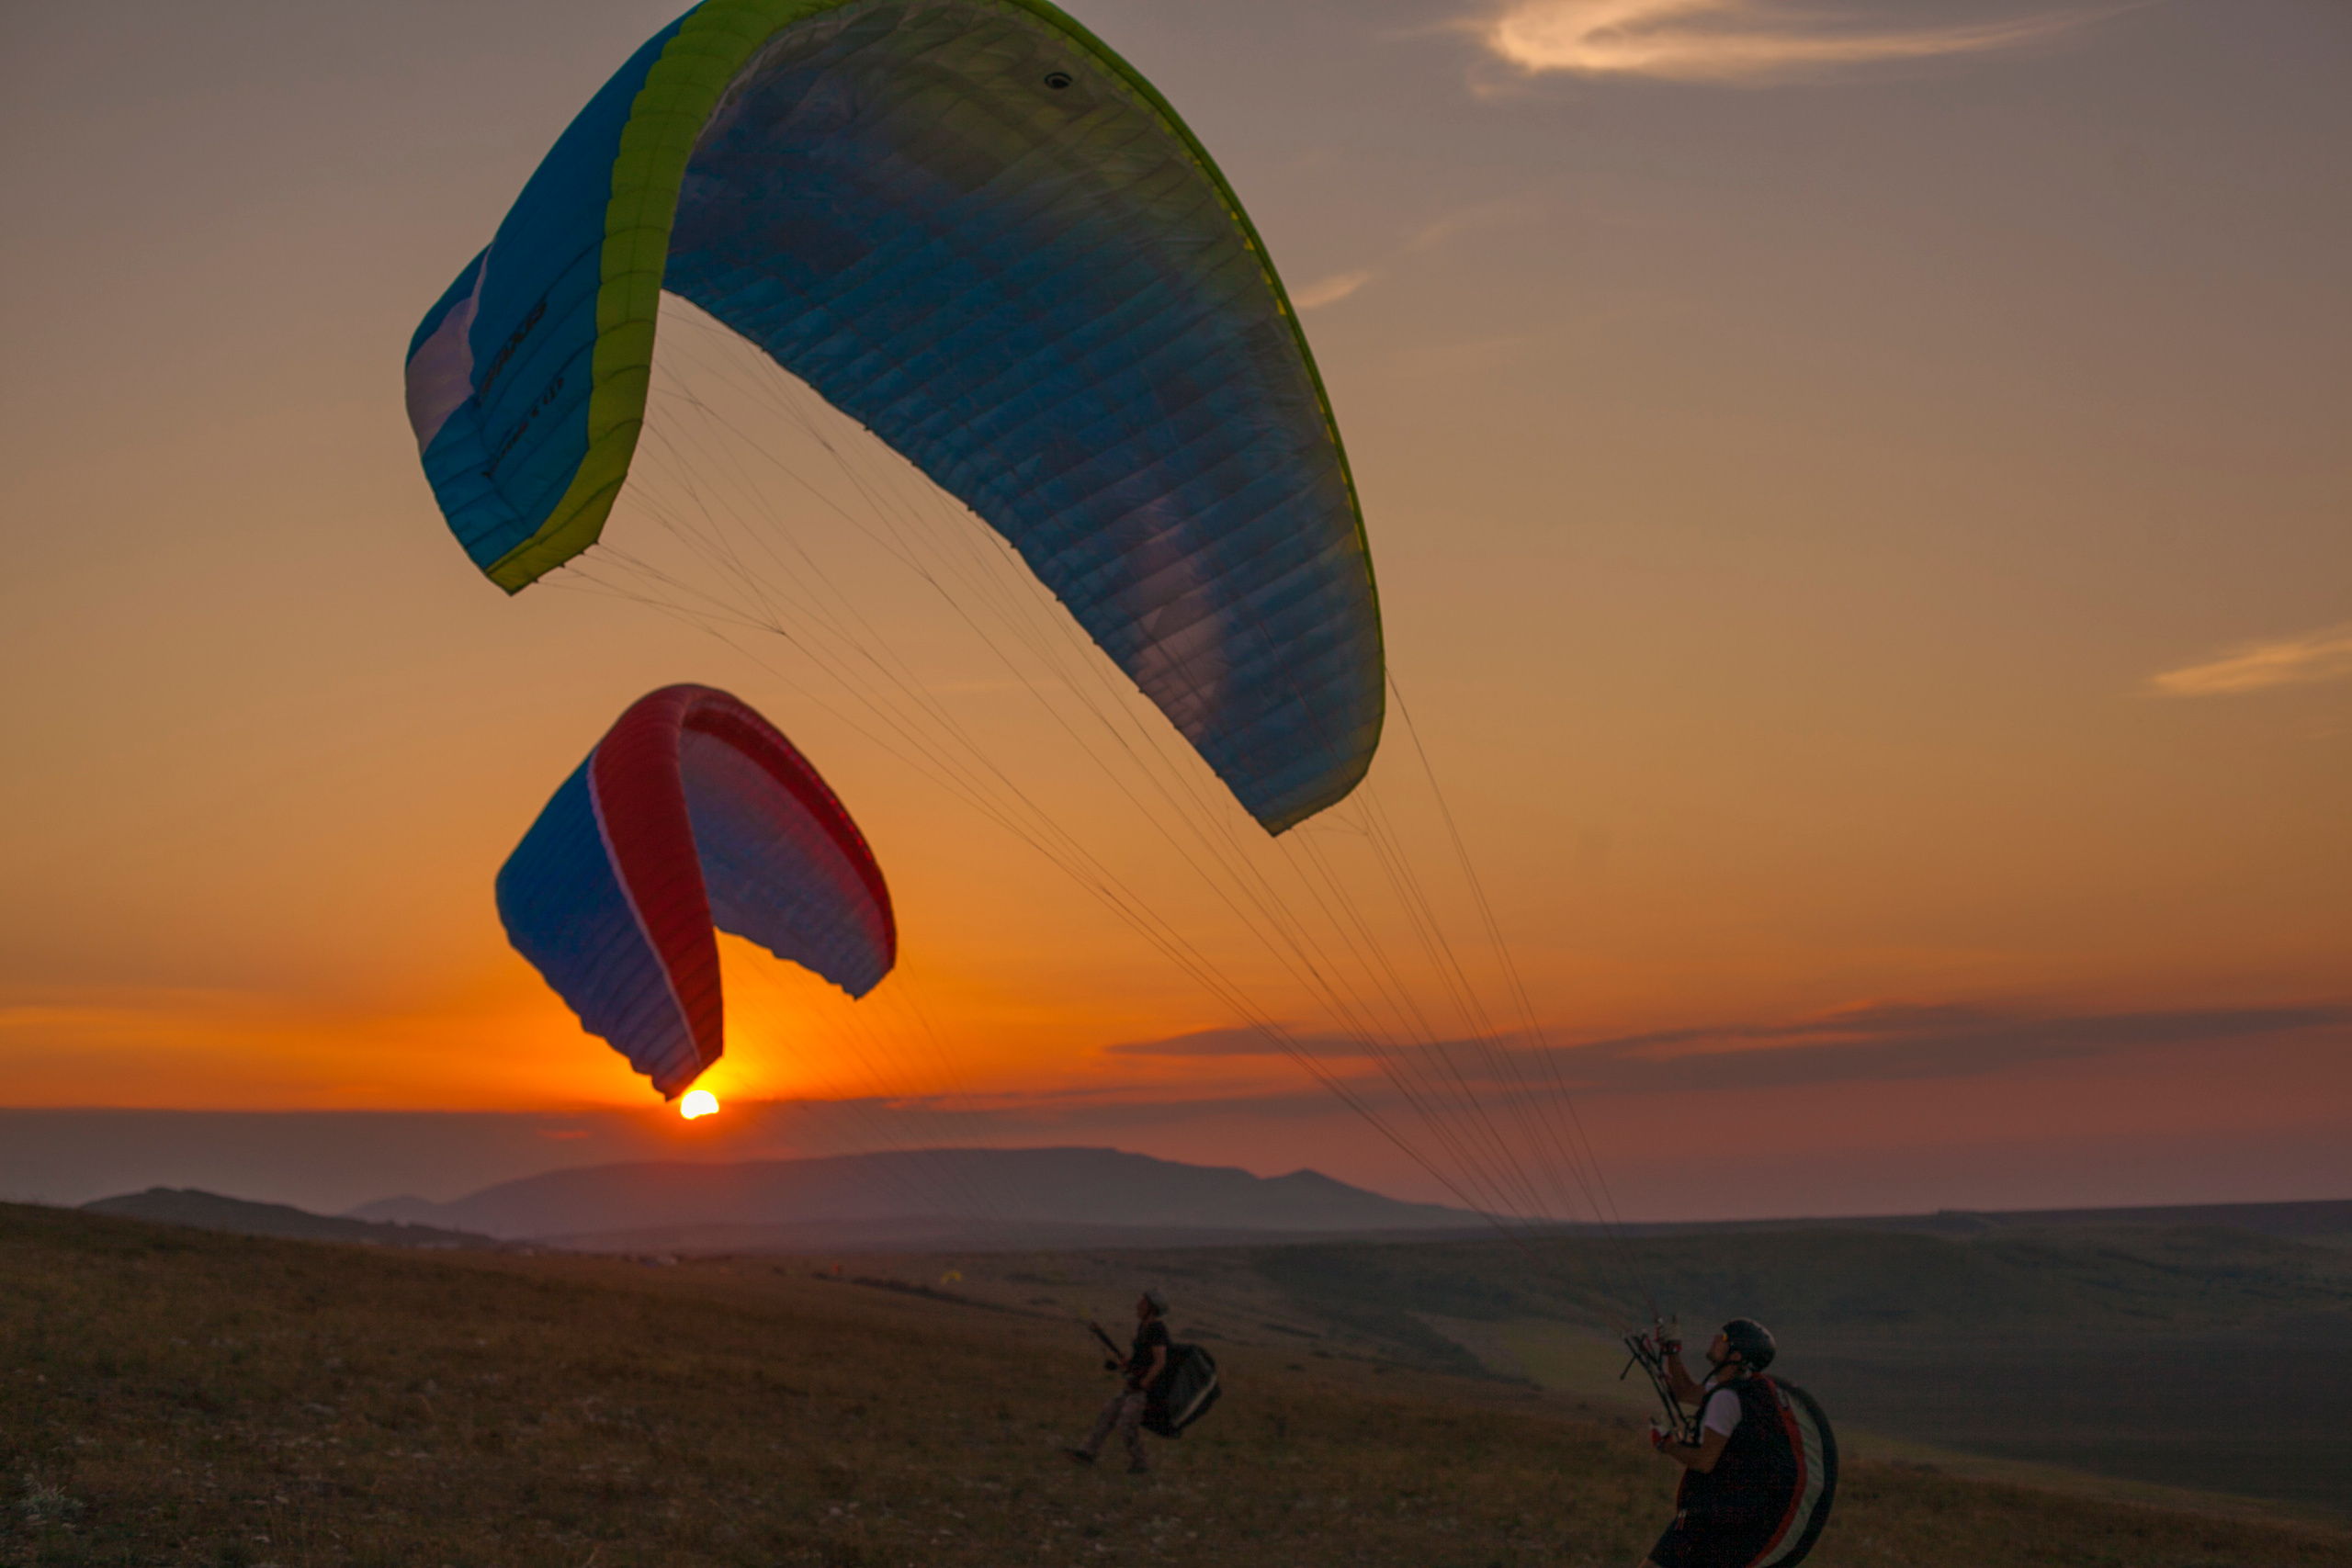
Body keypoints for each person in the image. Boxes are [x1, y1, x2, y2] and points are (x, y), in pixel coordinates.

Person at [1641, 1318, 1798, 1568]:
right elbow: (1684, 1391)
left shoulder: (1727, 1398)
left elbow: (1704, 1462)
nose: (1715, 1339)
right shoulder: (1737, 1391)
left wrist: (1667, 1444)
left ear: (1735, 1356)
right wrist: (1672, 1351)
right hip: (1731, 1515)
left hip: (1714, 1518)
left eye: (1724, 1339)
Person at [1066, 1290, 1171, 1474]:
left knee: (1126, 1424)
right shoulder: (1143, 1328)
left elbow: (1160, 1361)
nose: (1138, 1306)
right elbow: (1142, 1358)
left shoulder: (1157, 1330)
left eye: (1143, 1303)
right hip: (1134, 1385)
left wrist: (1144, 1382)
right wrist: (1127, 1363)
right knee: (1107, 1415)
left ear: (1152, 1309)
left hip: (1144, 1389)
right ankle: (1088, 1453)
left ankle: (1141, 1464)